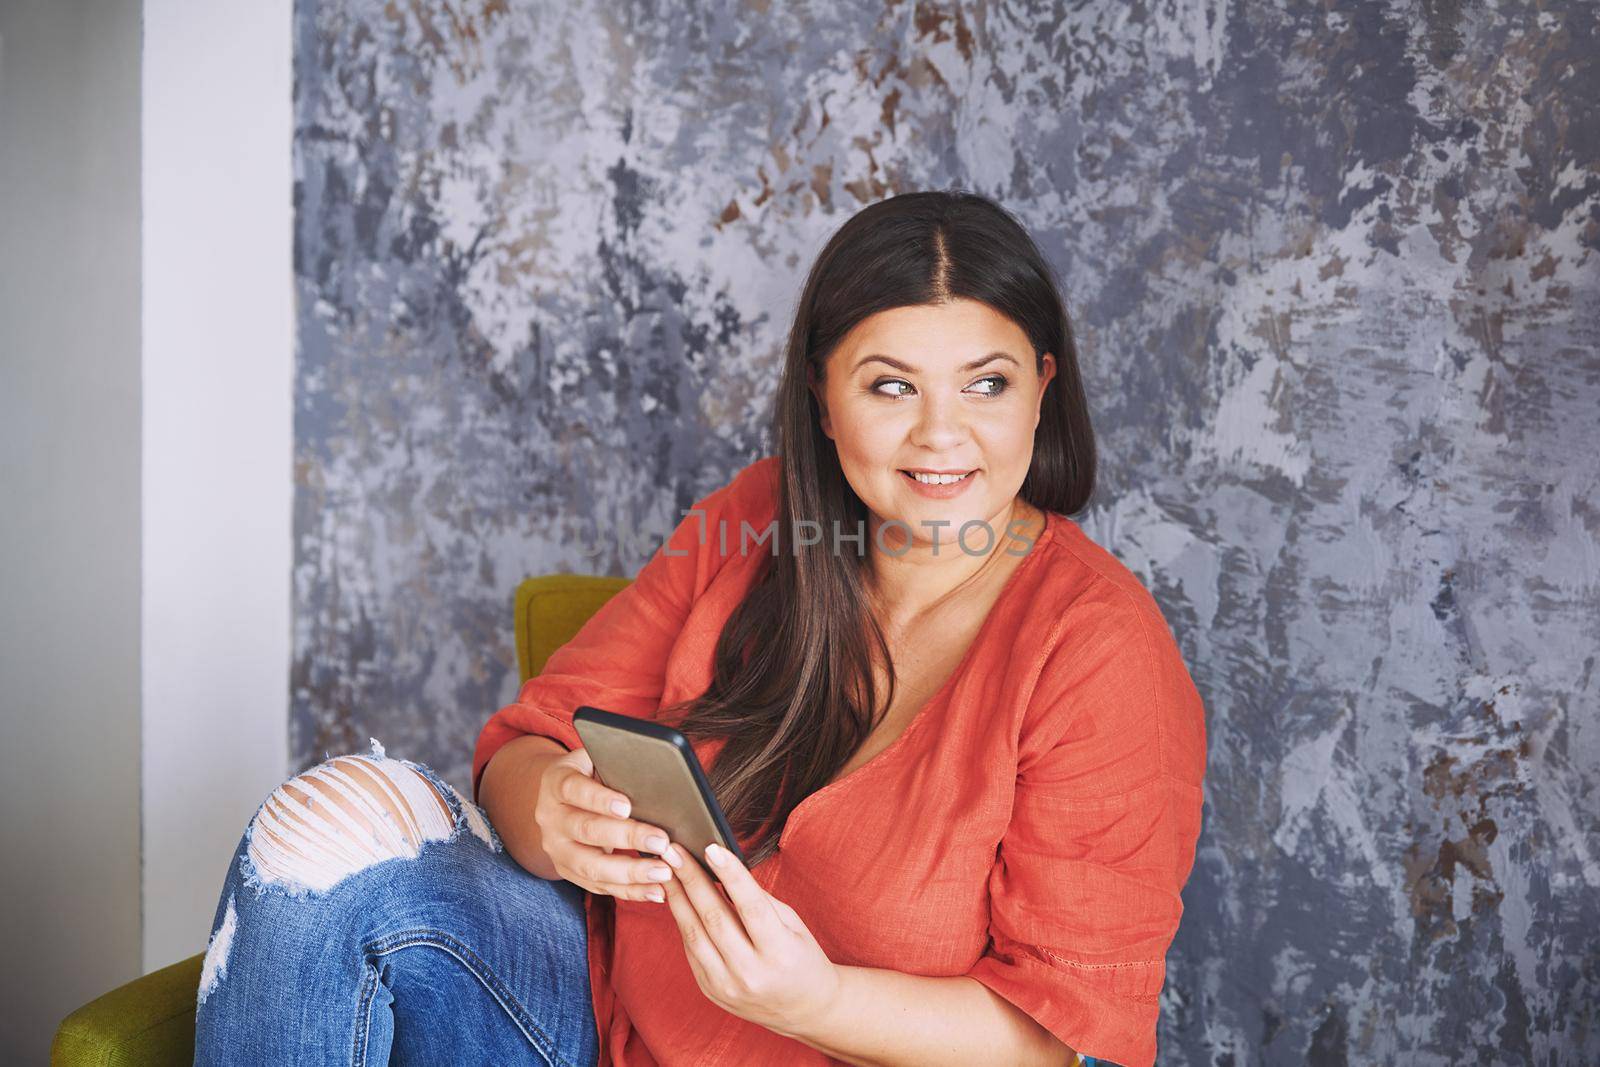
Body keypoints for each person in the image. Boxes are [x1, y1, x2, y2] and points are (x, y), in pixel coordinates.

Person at [193, 189, 1207, 1067]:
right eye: (889, 384)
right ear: (821, 396)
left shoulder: (1097, 650)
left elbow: (1066, 1038)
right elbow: (523, 745)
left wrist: (813, 1002)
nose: (941, 435)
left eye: (985, 383)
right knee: (326, 822)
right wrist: (553, 812)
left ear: (1044, 385)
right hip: (588, 1021)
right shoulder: (756, 518)